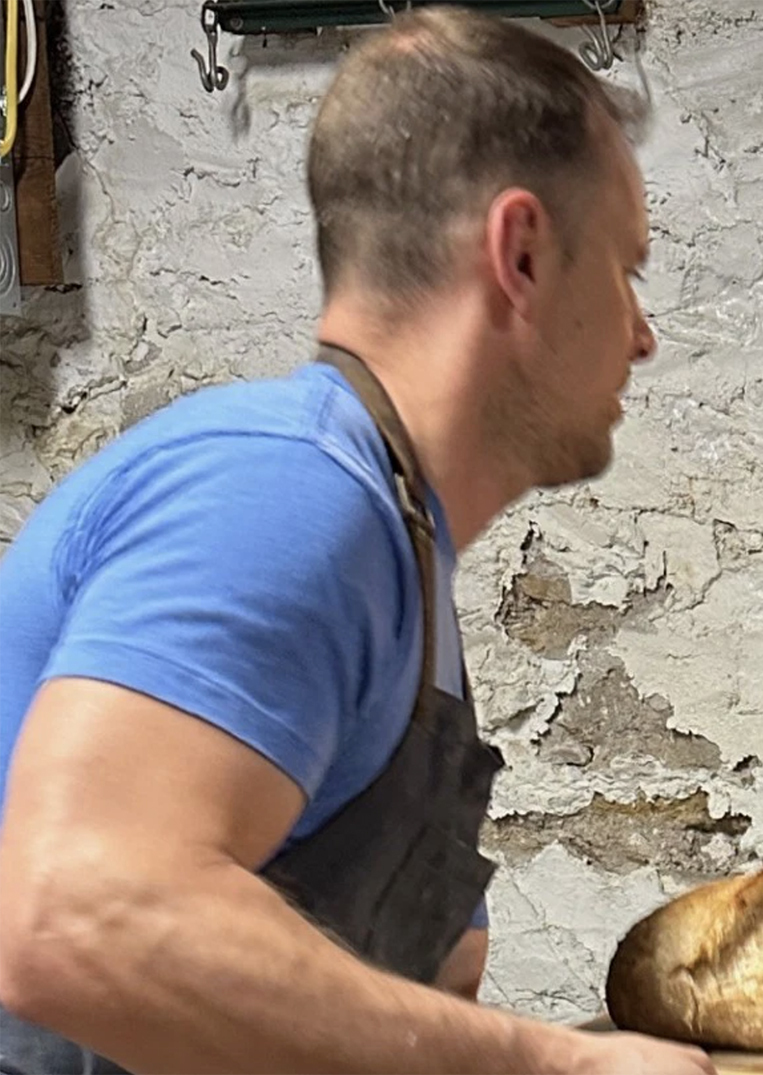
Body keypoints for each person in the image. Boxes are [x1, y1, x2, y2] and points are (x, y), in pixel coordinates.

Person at [0, 7, 715, 1074]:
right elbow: (73, 917)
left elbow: (420, 986)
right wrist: (544, 1061)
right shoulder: (283, 493)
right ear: (518, 253)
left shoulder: (397, 535)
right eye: (626, 271)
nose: (642, 334)